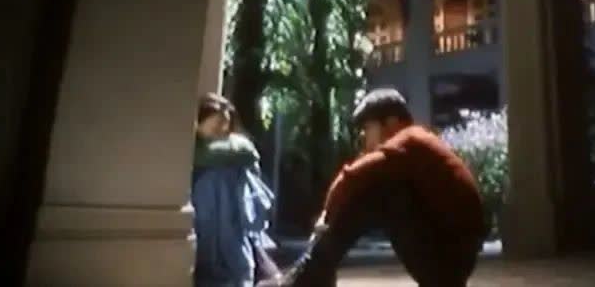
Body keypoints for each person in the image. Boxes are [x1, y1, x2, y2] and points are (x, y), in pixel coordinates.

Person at [263, 88, 485, 287]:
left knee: (373, 191)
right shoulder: (416, 145)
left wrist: (325, 220)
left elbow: (350, 177)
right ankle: (313, 274)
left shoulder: (409, 140)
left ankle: (308, 277)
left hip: (448, 257)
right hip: (453, 255)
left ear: (391, 122)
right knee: (376, 185)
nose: (363, 136)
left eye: (368, 127)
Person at [190, 93, 282, 287]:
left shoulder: (238, 150)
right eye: (217, 123)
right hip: (208, 216)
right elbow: (204, 155)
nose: (223, 129)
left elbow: (248, 154)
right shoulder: (196, 151)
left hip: (234, 219)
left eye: (226, 124)